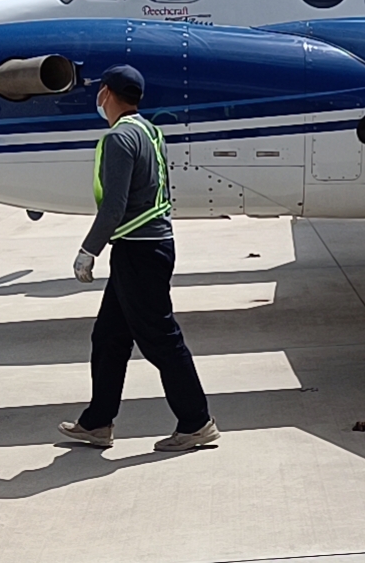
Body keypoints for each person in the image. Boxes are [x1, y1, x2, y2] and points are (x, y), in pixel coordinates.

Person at [59, 65, 220, 452]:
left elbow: (114, 206)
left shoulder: (119, 138)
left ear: (106, 93)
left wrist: (88, 250)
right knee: (109, 336)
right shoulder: (150, 131)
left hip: (139, 250)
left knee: (160, 339)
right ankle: (98, 422)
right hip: (148, 246)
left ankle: (196, 422)